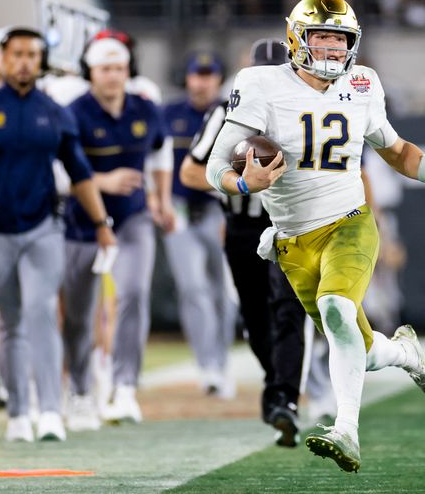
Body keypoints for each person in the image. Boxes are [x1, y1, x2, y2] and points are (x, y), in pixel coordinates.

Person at [205, 0, 425, 473]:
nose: (331, 49)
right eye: (322, 38)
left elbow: (393, 149)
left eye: (340, 40)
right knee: (360, 347)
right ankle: (405, 353)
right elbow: (214, 167)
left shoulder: (363, 82)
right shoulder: (261, 83)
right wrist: (244, 182)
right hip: (291, 238)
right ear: (297, 39)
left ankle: (346, 430)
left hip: (350, 221)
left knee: (336, 310)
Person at [180, 39, 311, 447]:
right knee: (255, 317)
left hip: (291, 222)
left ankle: (284, 399)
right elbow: (189, 172)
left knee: (289, 309)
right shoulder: (226, 111)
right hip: (242, 227)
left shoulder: (309, 106)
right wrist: (236, 183)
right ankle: (278, 384)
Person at [0, 27, 116, 441]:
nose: (25, 61)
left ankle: (49, 410)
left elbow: (80, 172)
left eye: (32, 54)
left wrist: (102, 225)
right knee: (11, 323)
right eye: (17, 54)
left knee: (42, 311)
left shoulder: (54, 110)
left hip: (43, 228)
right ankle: (19, 414)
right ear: (2, 58)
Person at [61, 37, 174, 428]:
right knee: (78, 313)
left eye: (119, 69)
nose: (113, 76)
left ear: (129, 71)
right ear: (90, 72)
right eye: (105, 69)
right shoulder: (74, 112)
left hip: (133, 216)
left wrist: (163, 198)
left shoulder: (144, 106)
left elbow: (160, 150)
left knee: (133, 294)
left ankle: (125, 387)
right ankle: (79, 390)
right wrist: (102, 181)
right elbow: (58, 170)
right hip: (81, 223)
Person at [163, 51, 236, 398]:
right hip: (179, 210)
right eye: (198, 74)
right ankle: (206, 364)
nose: (203, 81)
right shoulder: (170, 114)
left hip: (217, 209)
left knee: (224, 292)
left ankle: (220, 364)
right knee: (193, 289)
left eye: (209, 74)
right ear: (188, 77)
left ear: (219, 79)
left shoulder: (232, 116)